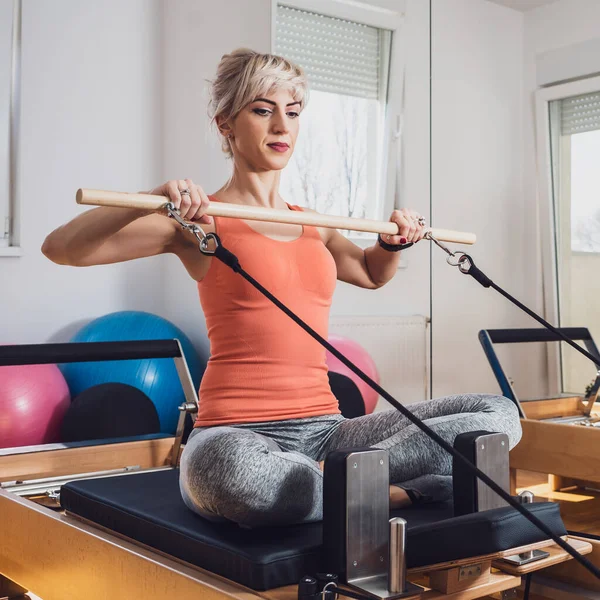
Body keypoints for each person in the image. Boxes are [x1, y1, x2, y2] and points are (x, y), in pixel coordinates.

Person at [42, 48, 521, 529]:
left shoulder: (314, 223)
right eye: (262, 110)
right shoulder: (201, 222)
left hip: (327, 434)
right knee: (237, 478)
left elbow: (372, 273)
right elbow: (61, 249)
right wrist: (151, 199)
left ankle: (334, 484)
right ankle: (392, 492)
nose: (281, 127)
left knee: (497, 416)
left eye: (292, 113)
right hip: (234, 436)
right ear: (226, 123)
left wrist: (391, 242)